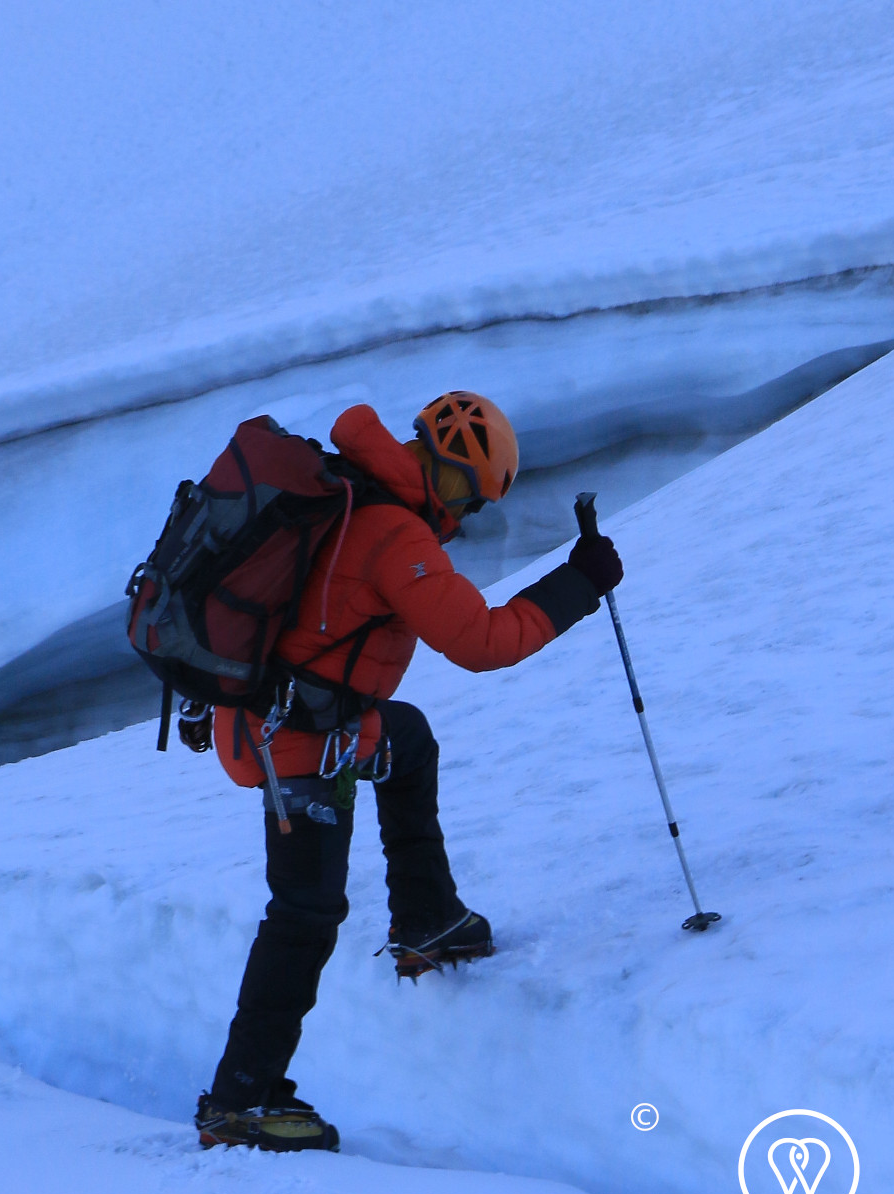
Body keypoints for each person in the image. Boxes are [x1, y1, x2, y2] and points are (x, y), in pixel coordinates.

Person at [194, 390, 623, 1154]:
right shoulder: (396, 532)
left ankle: (428, 916)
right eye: (473, 498)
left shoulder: (351, 486)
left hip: (277, 716)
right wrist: (579, 583)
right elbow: (484, 640)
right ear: (451, 468)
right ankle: (241, 1101)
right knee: (306, 912)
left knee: (407, 739)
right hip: (296, 743)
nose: (469, 515)